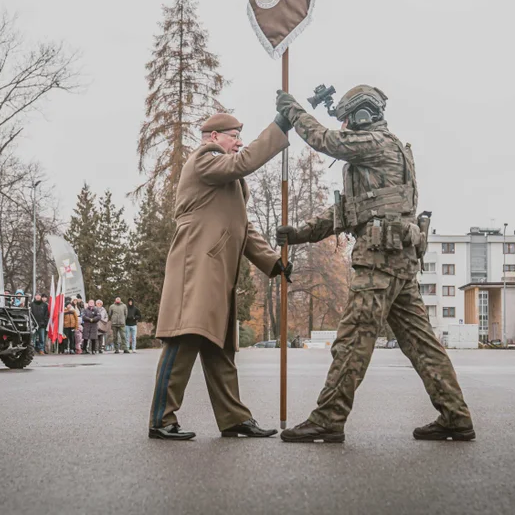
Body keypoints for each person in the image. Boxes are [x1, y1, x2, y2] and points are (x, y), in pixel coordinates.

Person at [274, 86, 475, 443]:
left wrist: (293, 111)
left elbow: (325, 140)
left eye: (349, 118)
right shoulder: (383, 153)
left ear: (363, 115)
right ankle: (455, 416)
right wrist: (300, 233)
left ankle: (328, 418)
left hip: (380, 264)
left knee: (353, 340)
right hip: (398, 263)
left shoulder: (376, 143)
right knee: (421, 343)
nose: (348, 125)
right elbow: (349, 212)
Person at [148, 111, 292, 441]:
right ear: (214, 137)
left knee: (220, 349)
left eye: (241, 136)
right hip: (196, 266)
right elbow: (242, 163)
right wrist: (279, 128)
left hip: (215, 270)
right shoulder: (205, 159)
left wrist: (274, 262)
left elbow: (243, 228)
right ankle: (161, 420)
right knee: (184, 338)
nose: (239, 142)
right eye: (233, 135)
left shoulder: (227, 177)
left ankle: (233, 419)